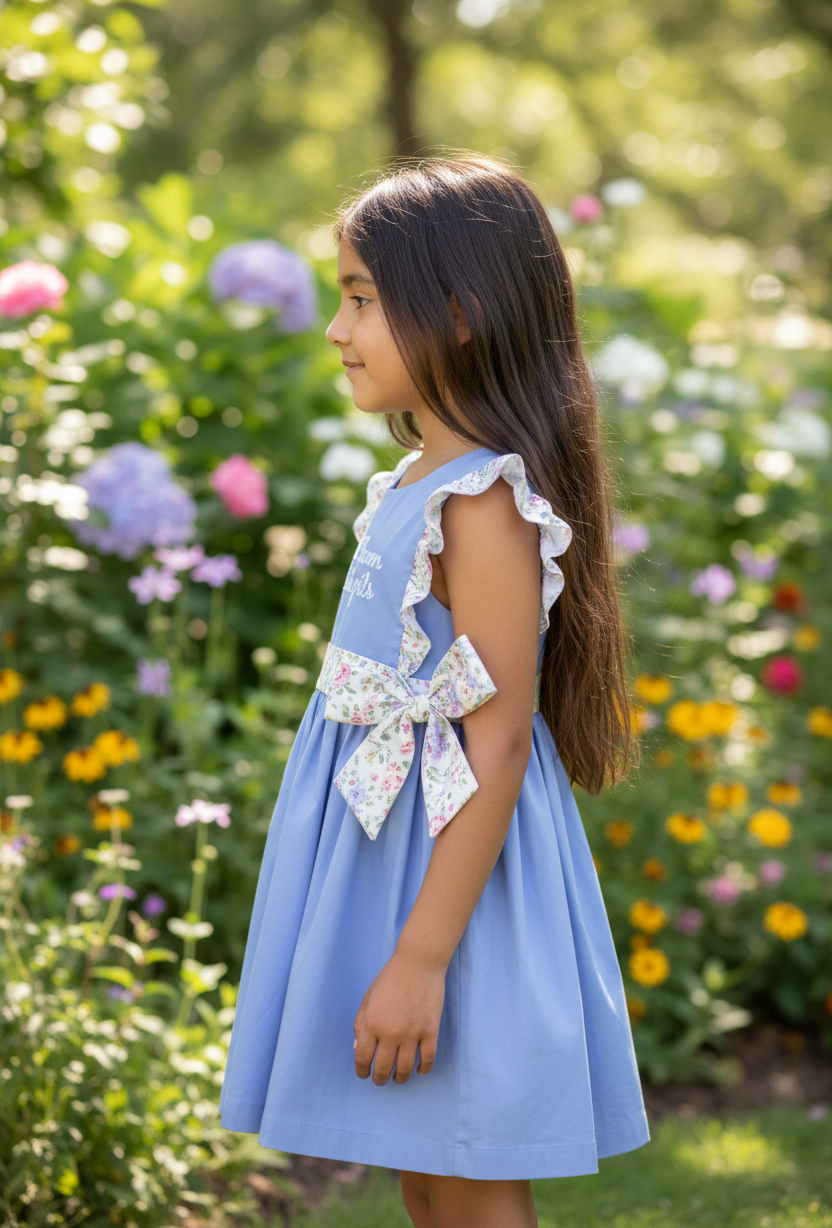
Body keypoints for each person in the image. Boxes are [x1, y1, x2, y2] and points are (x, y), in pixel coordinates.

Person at [218, 155, 649, 1228]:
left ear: (457, 313)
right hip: (383, 850)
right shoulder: (415, 483)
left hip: (451, 884)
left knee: (463, 1165)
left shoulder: (485, 506)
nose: (336, 328)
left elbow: (495, 742)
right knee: (422, 1162)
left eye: (361, 298)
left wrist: (419, 958)